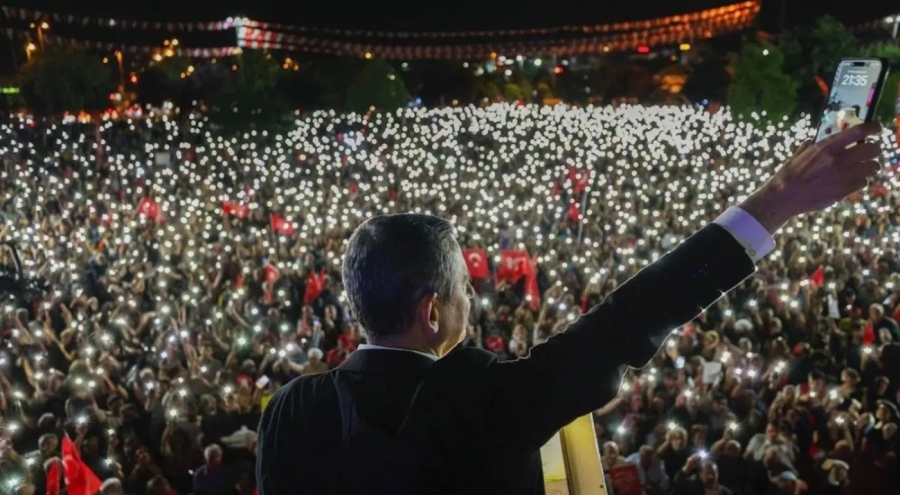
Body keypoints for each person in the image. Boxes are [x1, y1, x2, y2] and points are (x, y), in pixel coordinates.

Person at [256, 123, 883, 494]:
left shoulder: (290, 411)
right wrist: (777, 200)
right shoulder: (482, 399)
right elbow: (631, 318)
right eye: (464, 290)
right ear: (431, 313)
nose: (473, 300)